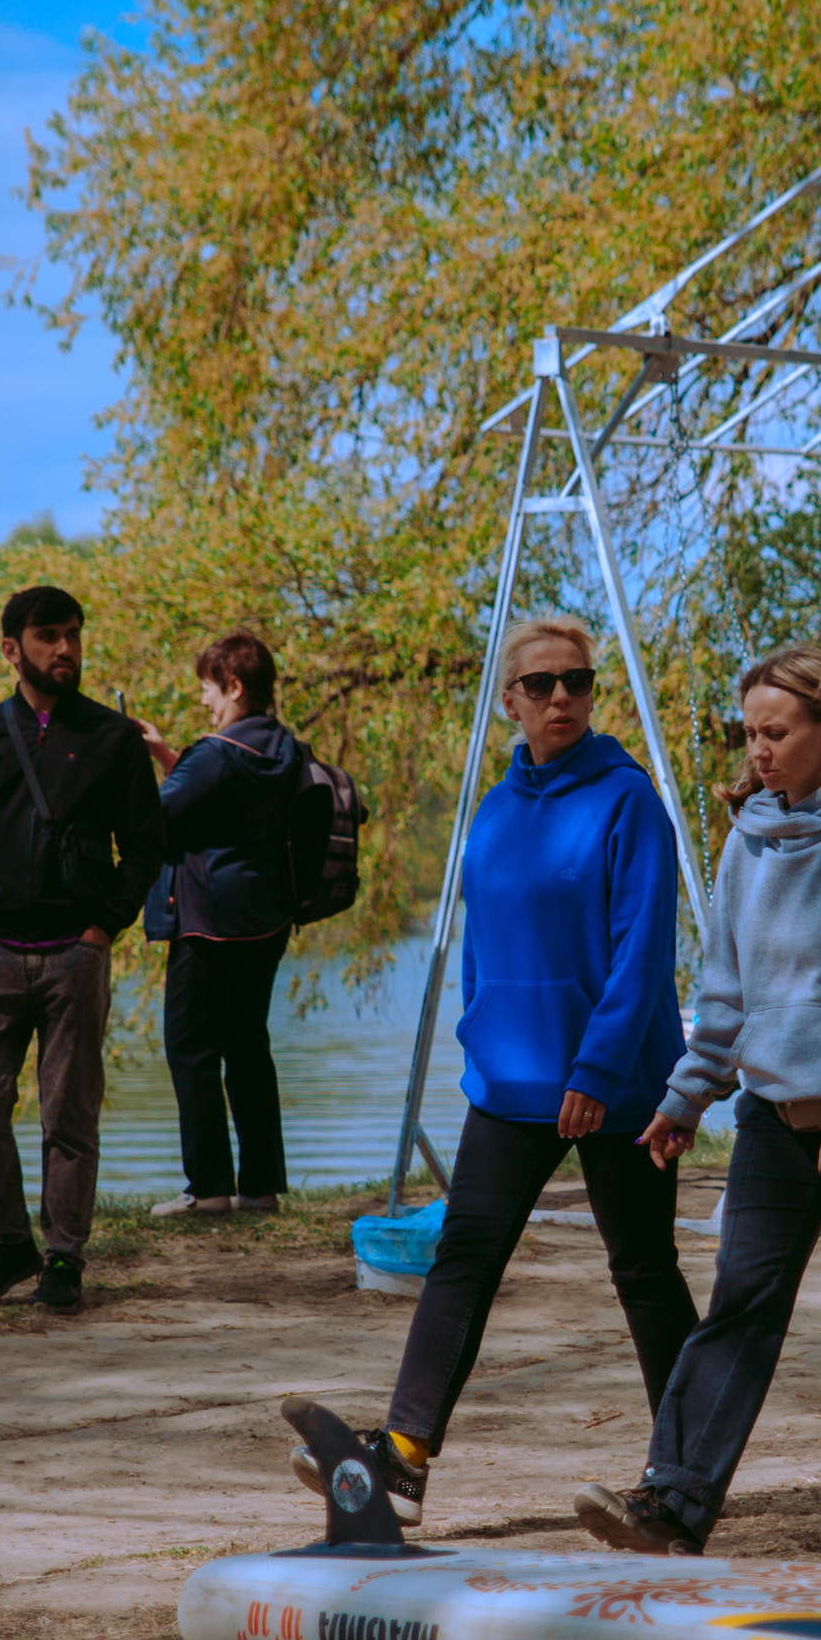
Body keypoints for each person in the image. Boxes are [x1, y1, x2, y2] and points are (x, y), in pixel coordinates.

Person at [572, 644, 821, 1566]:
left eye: (777, 733)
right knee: (738, 1309)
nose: (759, 750)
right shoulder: (748, 842)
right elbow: (725, 995)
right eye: (751, 733)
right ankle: (672, 1506)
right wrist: (688, 1095)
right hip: (776, 1121)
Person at [291, 615, 694, 1527]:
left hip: (616, 1083)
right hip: (510, 1084)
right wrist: (479, 1039)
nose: (562, 697)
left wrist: (595, 1071)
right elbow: (485, 943)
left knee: (643, 1269)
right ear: (510, 699)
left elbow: (642, 958)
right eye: (542, 684)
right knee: (464, 1259)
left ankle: (688, 1471)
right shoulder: (499, 808)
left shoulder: (628, 801)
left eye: (578, 682)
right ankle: (401, 1456)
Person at [0, 585, 166, 1314]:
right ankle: (9, 1241)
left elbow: (146, 846)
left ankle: (64, 1257)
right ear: (11, 649)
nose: (66, 649)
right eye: (49, 636)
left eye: (74, 635)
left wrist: (102, 929)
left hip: (74, 956)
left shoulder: (113, 739)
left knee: (70, 1112)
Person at [135, 629, 301, 1217]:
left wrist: (133, 772)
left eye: (208, 689)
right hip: (266, 922)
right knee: (248, 1047)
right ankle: (259, 1188)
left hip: (206, 924)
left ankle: (207, 1190)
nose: (205, 702)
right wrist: (164, 755)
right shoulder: (284, 748)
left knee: (190, 1050)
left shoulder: (216, 752)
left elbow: (155, 817)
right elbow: (224, 798)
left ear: (234, 686)